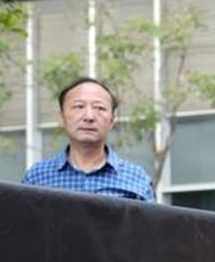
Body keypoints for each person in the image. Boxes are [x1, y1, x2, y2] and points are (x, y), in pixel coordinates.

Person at [22, 76, 155, 201]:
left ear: (112, 120)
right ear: (62, 117)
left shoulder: (136, 179)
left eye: (100, 108)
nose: (89, 116)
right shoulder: (36, 178)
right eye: (79, 106)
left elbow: (152, 225)